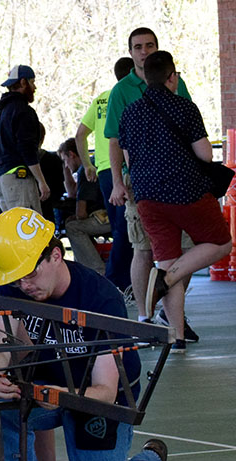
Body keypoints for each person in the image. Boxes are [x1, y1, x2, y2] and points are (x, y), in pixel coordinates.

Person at [0, 207, 167, 461]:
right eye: (16, 277)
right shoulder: (16, 287)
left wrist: (57, 395)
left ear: (55, 255)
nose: (24, 284)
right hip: (45, 392)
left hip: (98, 403)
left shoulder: (101, 300)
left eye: (30, 274)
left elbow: (106, 392)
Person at [118, 51, 232, 353]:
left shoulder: (130, 113)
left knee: (167, 260)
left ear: (145, 77)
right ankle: (166, 281)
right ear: (173, 77)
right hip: (187, 193)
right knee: (221, 243)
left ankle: (176, 336)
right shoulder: (185, 107)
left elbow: (129, 158)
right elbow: (205, 155)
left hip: (147, 199)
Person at [103, 28, 199, 341]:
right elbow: (115, 141)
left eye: (149, 46)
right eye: (138, 47)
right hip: (140, 184)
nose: (144, 51)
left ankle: (170, 312)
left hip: (179, 183)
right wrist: (117, 182)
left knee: (187, 250)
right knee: (143, 250)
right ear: (130, 53)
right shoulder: (122, 91)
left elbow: (189, 125)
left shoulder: (176, 82)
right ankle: (144, 318)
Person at [74, 57, 135, 291]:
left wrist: (87, 165)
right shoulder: (126, 96)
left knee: (121, 226)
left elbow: (80, 134)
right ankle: (115, 281)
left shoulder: (101, 99)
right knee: (126, 226)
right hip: (122, 165)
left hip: (103, 169)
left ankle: (125, 279)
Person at [0, 64, 50, 214]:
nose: (35, 87)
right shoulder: (24, 111)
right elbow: (27, 149)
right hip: (19, 179)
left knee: (13, 229)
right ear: (23, 82)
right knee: (29, 228)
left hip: (1, 178)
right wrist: (42, 182)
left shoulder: (2, 112)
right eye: (32, 82)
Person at [57, 138, 112, 275]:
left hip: (106, 218)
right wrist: (66, 170)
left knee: (73, 227)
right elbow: (72, 192)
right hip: (114, 214)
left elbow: (81, 213)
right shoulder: (92, 164)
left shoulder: (85, 171)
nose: (66, 165)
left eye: (65, 160)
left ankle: (96, 270)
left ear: (72, 154)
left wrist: (74, 217)